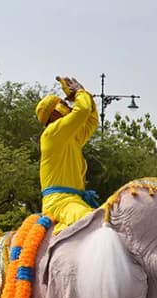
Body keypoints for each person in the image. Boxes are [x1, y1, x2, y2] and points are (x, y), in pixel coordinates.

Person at [37, 76, 100, 232]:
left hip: (74, 200)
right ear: (52, 114)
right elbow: (82, 110)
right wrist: (79, 92)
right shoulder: (52, 133)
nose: (68, 106)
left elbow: (91, 120)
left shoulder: (72, 137)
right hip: (59, 202)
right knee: (91, 221)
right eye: (64, 104)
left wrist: (85, 95)